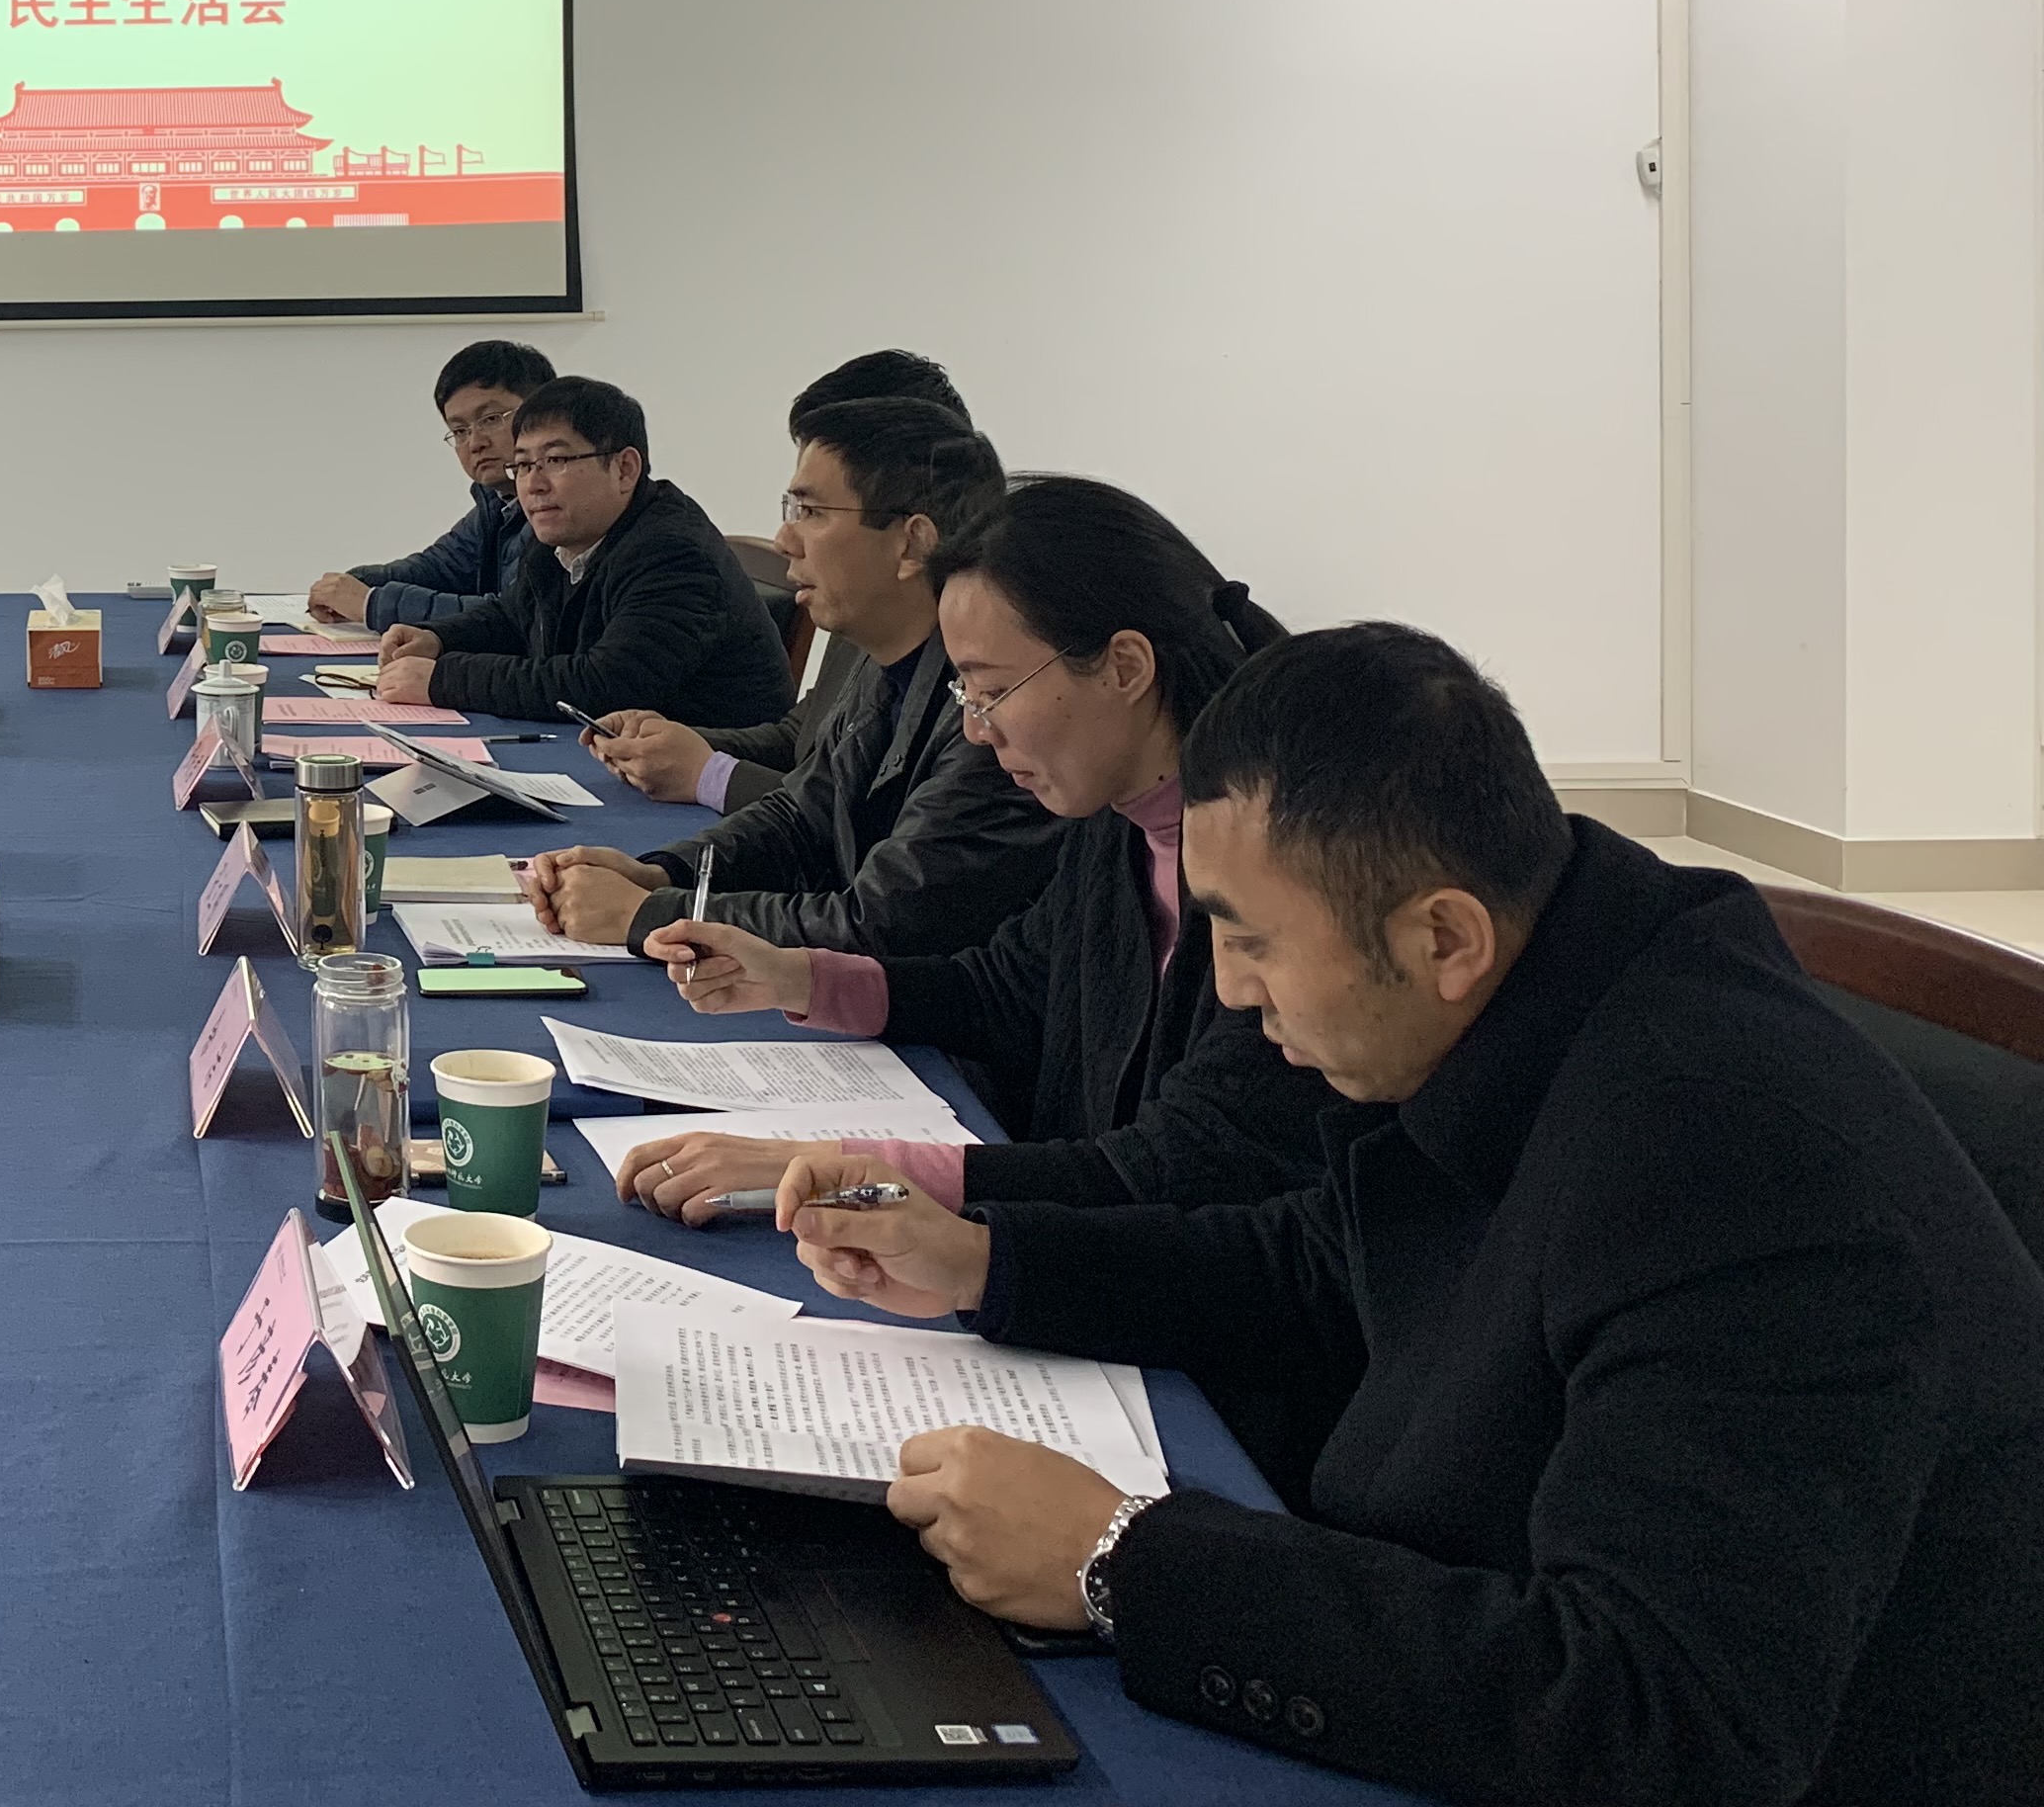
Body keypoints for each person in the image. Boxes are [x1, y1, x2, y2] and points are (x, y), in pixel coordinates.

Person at [780, 625, 2044, 1807]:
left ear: (1444, 937)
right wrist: (985, 1262)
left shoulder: (1727, 1162)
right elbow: (1327, 1262)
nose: (1231, 992)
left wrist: (1120, 1560)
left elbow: (1657, 1710)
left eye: (1253, 942)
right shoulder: (1549, 980)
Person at [611, 477, 1320, 1241]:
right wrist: (796, 977)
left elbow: (1171, 1168)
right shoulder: (1115, 815)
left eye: (993, 690)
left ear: (1124, 667)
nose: (977, 730)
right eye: (964, 695)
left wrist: (852, 1172)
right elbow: (1007, 990)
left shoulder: (1278, 876)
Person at [526, 398, 1060, 960]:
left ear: (912, 543)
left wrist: (651, 914)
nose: (785, 538)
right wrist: (661, 874)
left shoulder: (989, 712)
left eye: (811, 512)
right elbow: (803, 817)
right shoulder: (883, 660)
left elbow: (885, 923)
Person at [370, 377, 794, 732]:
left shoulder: (673, 553)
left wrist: (444, 679)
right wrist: (438, 638)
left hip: (701, 779)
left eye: (555, 459)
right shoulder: (563, 533)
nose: (534, 484)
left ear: (625, 469)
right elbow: (515, 616)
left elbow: (605, 686)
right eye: (524, 465)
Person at [692, 350, 972, 806]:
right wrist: (687, 746)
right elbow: (808, 741)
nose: (785, 539)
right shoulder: (864, 605)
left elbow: (865, 828)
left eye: (813, 510)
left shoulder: (977, 668)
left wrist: (710, 775)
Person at [304, 338, 554, 632]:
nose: (475, 442)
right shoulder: (497, 501)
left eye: (490, 419)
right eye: (459, 430)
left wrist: (371, 603)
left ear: (542, 413)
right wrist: (354, 583)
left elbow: (511, 617)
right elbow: (438, 568)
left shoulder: (556, 506)